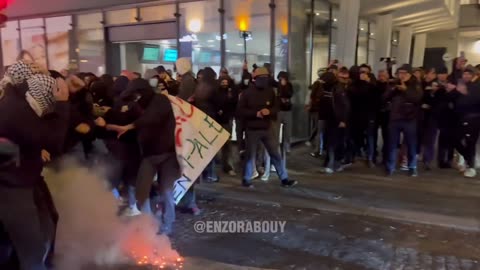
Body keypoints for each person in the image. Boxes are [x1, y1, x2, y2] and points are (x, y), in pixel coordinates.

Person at [0, 61, 70, 270]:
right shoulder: (16, 110)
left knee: (43, 227)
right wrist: (64, 105)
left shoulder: (16, 103)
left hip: (22, 180)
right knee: (30, 246)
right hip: (12, 186)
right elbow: (53, 141)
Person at [107, 79, 180, 235]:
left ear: (143, 92)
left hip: (167, 154)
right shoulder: (138, 105)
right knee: (141, 190)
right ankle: (149, 224)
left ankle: (167, 224)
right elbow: (125, 116)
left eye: (137, 96)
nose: (136, 99)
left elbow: (152, 118)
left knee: (166, 190)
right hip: (148, 154)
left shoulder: (160, 100)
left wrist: (129, 126)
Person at [237, 67, 297, 188]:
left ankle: (284, 178)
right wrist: (256, 113)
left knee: (275, 153)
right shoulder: (247, 93)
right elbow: (240, 111)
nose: (264, 80)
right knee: (250, 155)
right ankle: (246, 179)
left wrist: (269, 111)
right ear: (255, 79)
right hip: (252, 129)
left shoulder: (270, 92)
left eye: (266, 78)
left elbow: (276, 107)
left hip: (267, 127)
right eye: (262, 78)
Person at [384, 64, 423, 177]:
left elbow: (417, 98)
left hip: (409, 119)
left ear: (410, 74)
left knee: (411, 144)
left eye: (404, 73)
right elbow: (384, 97)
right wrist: (393, 90)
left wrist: (406, 90)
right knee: (392, 144)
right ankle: (390, 167)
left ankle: (412, 167)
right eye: (399, 73)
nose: (401, 76)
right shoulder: (393, 83)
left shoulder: (416, 84)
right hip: (395, 118)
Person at [318, 71, 349, 173]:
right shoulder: (328, 88)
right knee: (330, 141)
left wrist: (343, 120)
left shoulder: (338, 89)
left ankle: (332, 164)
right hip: (329, 118)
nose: (321, 83)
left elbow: (345, 105)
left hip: (337, 119)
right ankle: (332, 163)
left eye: (323, 81)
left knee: (334, 142)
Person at [453, 66, 480, 178]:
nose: (466, 76)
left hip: (474, 118)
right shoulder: (461, 85)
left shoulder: (477, 86)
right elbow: (453, 98)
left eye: (469, 74)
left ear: (474, 75)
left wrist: (465, 93)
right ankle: (470, 160)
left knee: (470, 142)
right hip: (460, 117)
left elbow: (475, 100)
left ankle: (471, 166)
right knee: (455, 140)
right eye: (465, 74)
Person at [420, 68, 445, 170]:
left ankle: (427, 160)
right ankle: (420, 156)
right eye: (428, 73)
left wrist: (433, 93)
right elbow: (419, 98)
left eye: (432, 73)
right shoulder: (422, 85)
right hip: (422, 116)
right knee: (421, 137)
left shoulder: (440, 88)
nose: (429, 75)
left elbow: (440, 102)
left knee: (430, 139)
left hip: (433, 117)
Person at [217, 75, 238, 176]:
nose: (224, 84)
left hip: (227, 120)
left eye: (226, 82)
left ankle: (227, 165)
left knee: (227, 145)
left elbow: (233, 103)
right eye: (223, 82)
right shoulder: (216, 92)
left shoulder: (231, 93)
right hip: (217, 120)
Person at [436, 66, 456, 168]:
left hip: (452, 116)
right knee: (442, 139)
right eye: (439, 74)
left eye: (443, 73)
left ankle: (449, 159)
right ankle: (441, 160)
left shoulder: (452, 84)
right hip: (442, 116)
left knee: (451, 139)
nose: (441, 76)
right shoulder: (437, 87)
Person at [276, 71, 294, 153]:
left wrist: (285, 86)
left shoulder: (289, 85)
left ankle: (287, 146)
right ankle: (276, 146)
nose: (282, 80)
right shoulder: (277, 85)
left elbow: (290, 94)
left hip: (287, 110)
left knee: (288, 130)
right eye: (280, 78)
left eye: (283, 78)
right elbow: (278, 94)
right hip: (279, 109)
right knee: (276, 129)